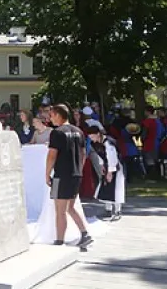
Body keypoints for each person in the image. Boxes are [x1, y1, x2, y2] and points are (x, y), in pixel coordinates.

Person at [46, 104, 93, 248]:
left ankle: (59, 241)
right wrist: (79, 168)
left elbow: (52, 155)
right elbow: (83, 153)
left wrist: (47, 173)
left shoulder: (57, 132)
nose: (50, 118)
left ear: (59, 115)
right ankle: (85, 234)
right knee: (70, 207)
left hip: (61, 175)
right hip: (76, 174)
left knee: (60, 211)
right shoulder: (79, 131)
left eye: (52, 115)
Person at [87, 126, 125, 218]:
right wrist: (102, 165)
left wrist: (110, 172)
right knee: (105, 187)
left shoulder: (108, 143)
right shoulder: (96, 143)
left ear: (98, 134)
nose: (92, 139)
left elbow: (112, 157)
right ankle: (108, 209)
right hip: (107, 165)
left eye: (93, 137)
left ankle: (117, 210)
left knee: (116, 188)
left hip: (115, 166)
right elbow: (100, 155)